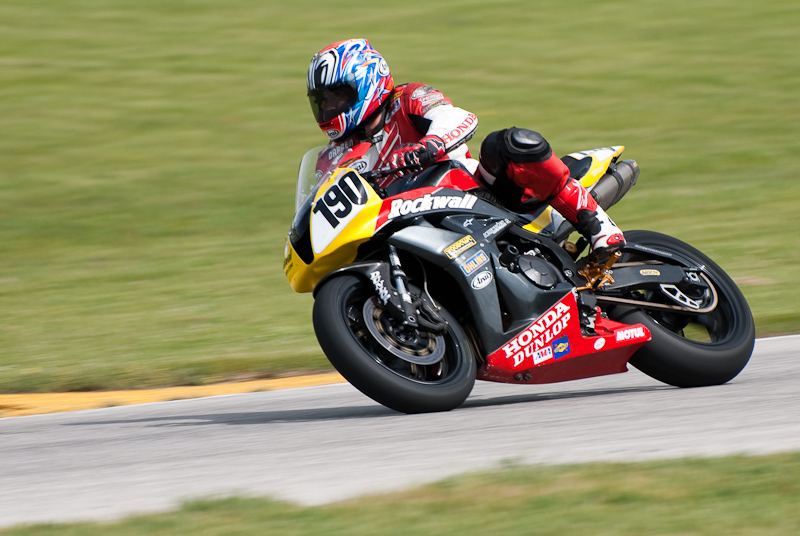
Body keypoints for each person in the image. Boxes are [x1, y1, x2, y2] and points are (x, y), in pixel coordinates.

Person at [307, 38, 479, 188]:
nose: (329, 107)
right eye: (323, 100)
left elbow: (458, 118)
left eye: (338, 95)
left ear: (368, 82)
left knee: (496, 147)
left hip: (461, 191)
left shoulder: (408, 99)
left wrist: (426, 148)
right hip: (404, 220)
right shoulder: (330, 159)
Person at [476, 127, 626, 262]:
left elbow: (461, 119)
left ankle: (600, 229)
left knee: (508, 145)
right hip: (461, 201)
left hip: (480, 187)